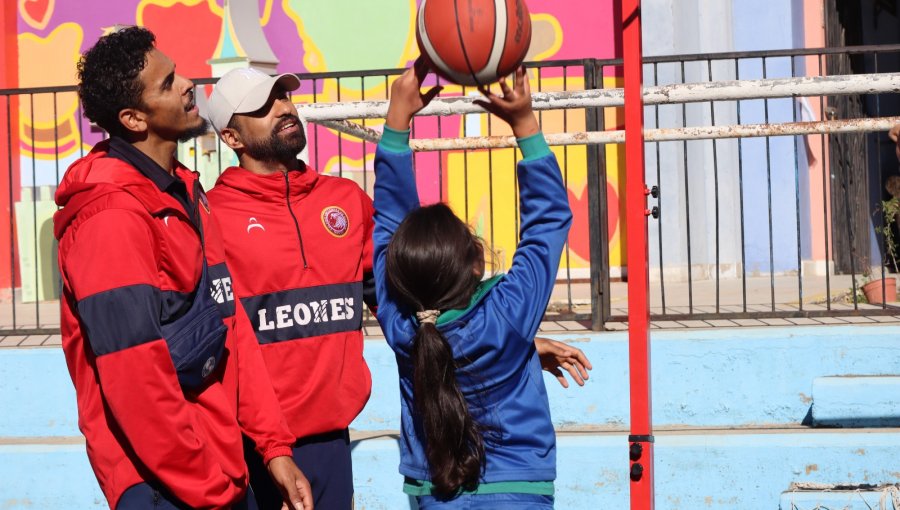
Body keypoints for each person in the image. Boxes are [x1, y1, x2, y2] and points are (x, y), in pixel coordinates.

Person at [204, 66, 591, 509]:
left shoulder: (345, 202)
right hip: (253, 441)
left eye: (282, 96)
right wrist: (512, 340)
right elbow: (543, 226)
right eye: (263, 104)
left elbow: (394, 247)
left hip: (334, 441)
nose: (283, 106)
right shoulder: (212, 217)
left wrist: (395, 124)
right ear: (231, 138)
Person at [54, 27, 312, 510]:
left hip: (218, 469)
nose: (188, 83)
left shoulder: (184, 191)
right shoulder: (109, 218)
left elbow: (230, 325)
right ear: (133, 118)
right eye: (168, 82)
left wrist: (273, 446)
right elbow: (135, 379)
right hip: (164, 487)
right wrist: (208, 489)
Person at [372, 59, 573, 508]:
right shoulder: (506, 313)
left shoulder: (401, 323)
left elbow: (387, 221)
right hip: (518, 486)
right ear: (477, 264)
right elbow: (548, 225)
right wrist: (523, 123)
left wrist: (396, 121)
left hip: (433, 489)